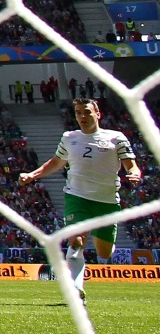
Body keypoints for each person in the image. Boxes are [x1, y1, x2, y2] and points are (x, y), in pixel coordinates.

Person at [19, 98, 141, 306]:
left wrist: (133, 173)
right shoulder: (69, 137)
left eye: (86, 112)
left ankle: (101, 249)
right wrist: (33, 175)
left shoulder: (115, 138)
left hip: (106, 201)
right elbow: (56, 162)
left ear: (97, 114)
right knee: (75, 241)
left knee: (104, 252)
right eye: (78, 113)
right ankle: (76, 289)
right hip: (76, 196)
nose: (82, 117)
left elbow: (132, 166)